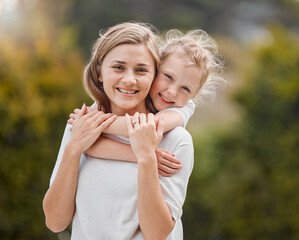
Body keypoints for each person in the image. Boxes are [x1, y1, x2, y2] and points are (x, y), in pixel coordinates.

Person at [43, 22, 225, 240]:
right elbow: (55, 222)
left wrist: (147, 157)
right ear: (100, 72)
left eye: (141, 70)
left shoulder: (176, 139)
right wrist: (74, 147)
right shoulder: (81, 126)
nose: (129, 79)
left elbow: (157, 234)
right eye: (118, 67)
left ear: (152, 74)